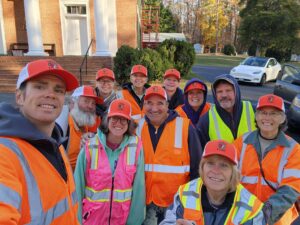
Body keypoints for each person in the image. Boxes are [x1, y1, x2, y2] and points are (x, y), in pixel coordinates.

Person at [0, 59, 80, 224]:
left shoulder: (55, 144)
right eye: (40, 86)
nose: (50, 94)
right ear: (19, 97)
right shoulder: (4, 154)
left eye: (58, 90)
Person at [136, 85, 202, 225]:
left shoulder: (185, 127)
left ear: (167, 105)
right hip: (142, 203)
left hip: (174, 206)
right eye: (149, 103)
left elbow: (198, 169)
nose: (154, 109)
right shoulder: (136, 126)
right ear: (143, 105)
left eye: (160, 103)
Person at [74, 99, 145, 225]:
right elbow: (77, 187)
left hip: (122, 221)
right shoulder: (89, 147)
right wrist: (77, 220)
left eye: (123, 119)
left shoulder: (136, 148)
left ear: (129, 123)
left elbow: (139, 190)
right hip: (91, 220)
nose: (119, 123)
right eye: (114, 118)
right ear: (107, 120)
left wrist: (134, 222)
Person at [160, 140, 265, 225]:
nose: (215, 171)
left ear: (233, 174)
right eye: (210, 163)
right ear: (202, 168)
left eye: (224, 165)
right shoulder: (185, 194)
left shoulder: (251, 208)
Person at [233, 94, 300, 225]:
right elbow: (228, 178)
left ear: (282, 118)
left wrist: (263, 217)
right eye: (263, 113)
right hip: (243, 215)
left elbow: (290, 190)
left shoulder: (294, 149)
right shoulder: (242, 142)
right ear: (256, 116)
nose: (267, 118)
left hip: (276, 219)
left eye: (274, 113)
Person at [196, 74, 256, 147]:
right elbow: (200, 152)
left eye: (228, 90)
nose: (224, 95)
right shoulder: (206, 121)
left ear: (236, 92)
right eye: (219, 91)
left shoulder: (254, 111)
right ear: (215, 95)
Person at [56, 85, 101, 170]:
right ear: (73, 103)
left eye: (93, 103)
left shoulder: (84, 124)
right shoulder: (61, 126)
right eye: (86, 101)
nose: (90, 106)